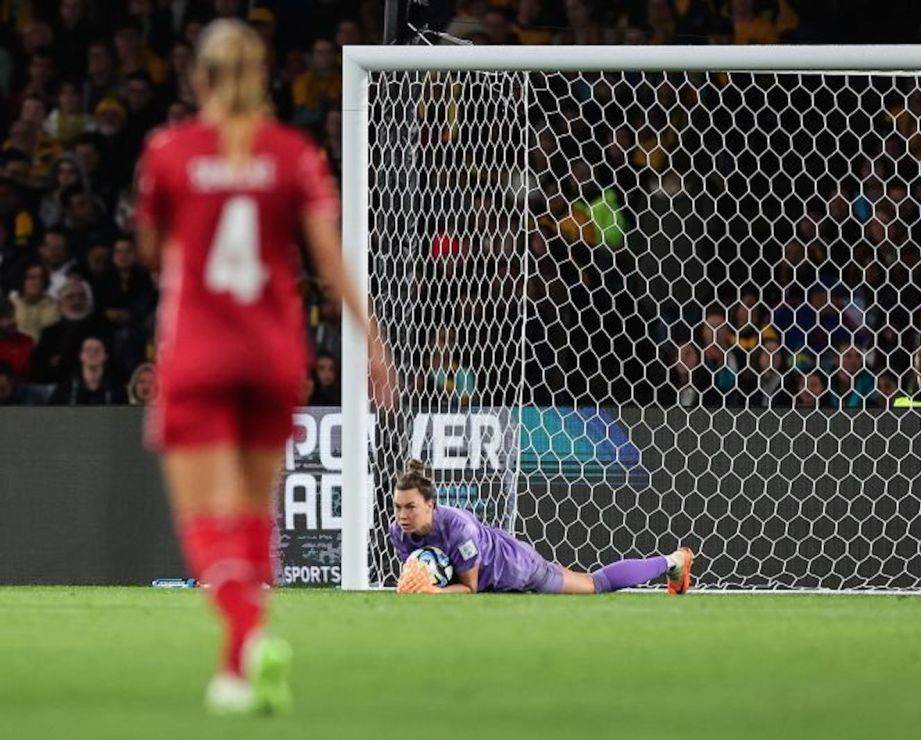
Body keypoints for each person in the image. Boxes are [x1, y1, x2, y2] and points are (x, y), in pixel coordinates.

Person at [133, 19, 394, 716]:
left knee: (203, 521)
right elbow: (328, 258)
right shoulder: (293, 153)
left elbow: (154, 251)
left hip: (198, 351)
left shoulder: (169, 151)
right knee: (254, 514)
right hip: (273, 352)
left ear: (200, 78)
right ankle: (237, 668)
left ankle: (246, 640)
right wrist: (370, 338)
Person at [391, 460, 693, 596]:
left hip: (515, 566)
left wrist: (431, 592)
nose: (402, 515)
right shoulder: (398, 532)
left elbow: (469, 587)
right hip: (494, 567)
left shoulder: (459, 528)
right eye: (398, 507)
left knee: (592, 585)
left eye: (411, 507)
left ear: (431, 505)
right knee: (575, 578)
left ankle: (674, 562)